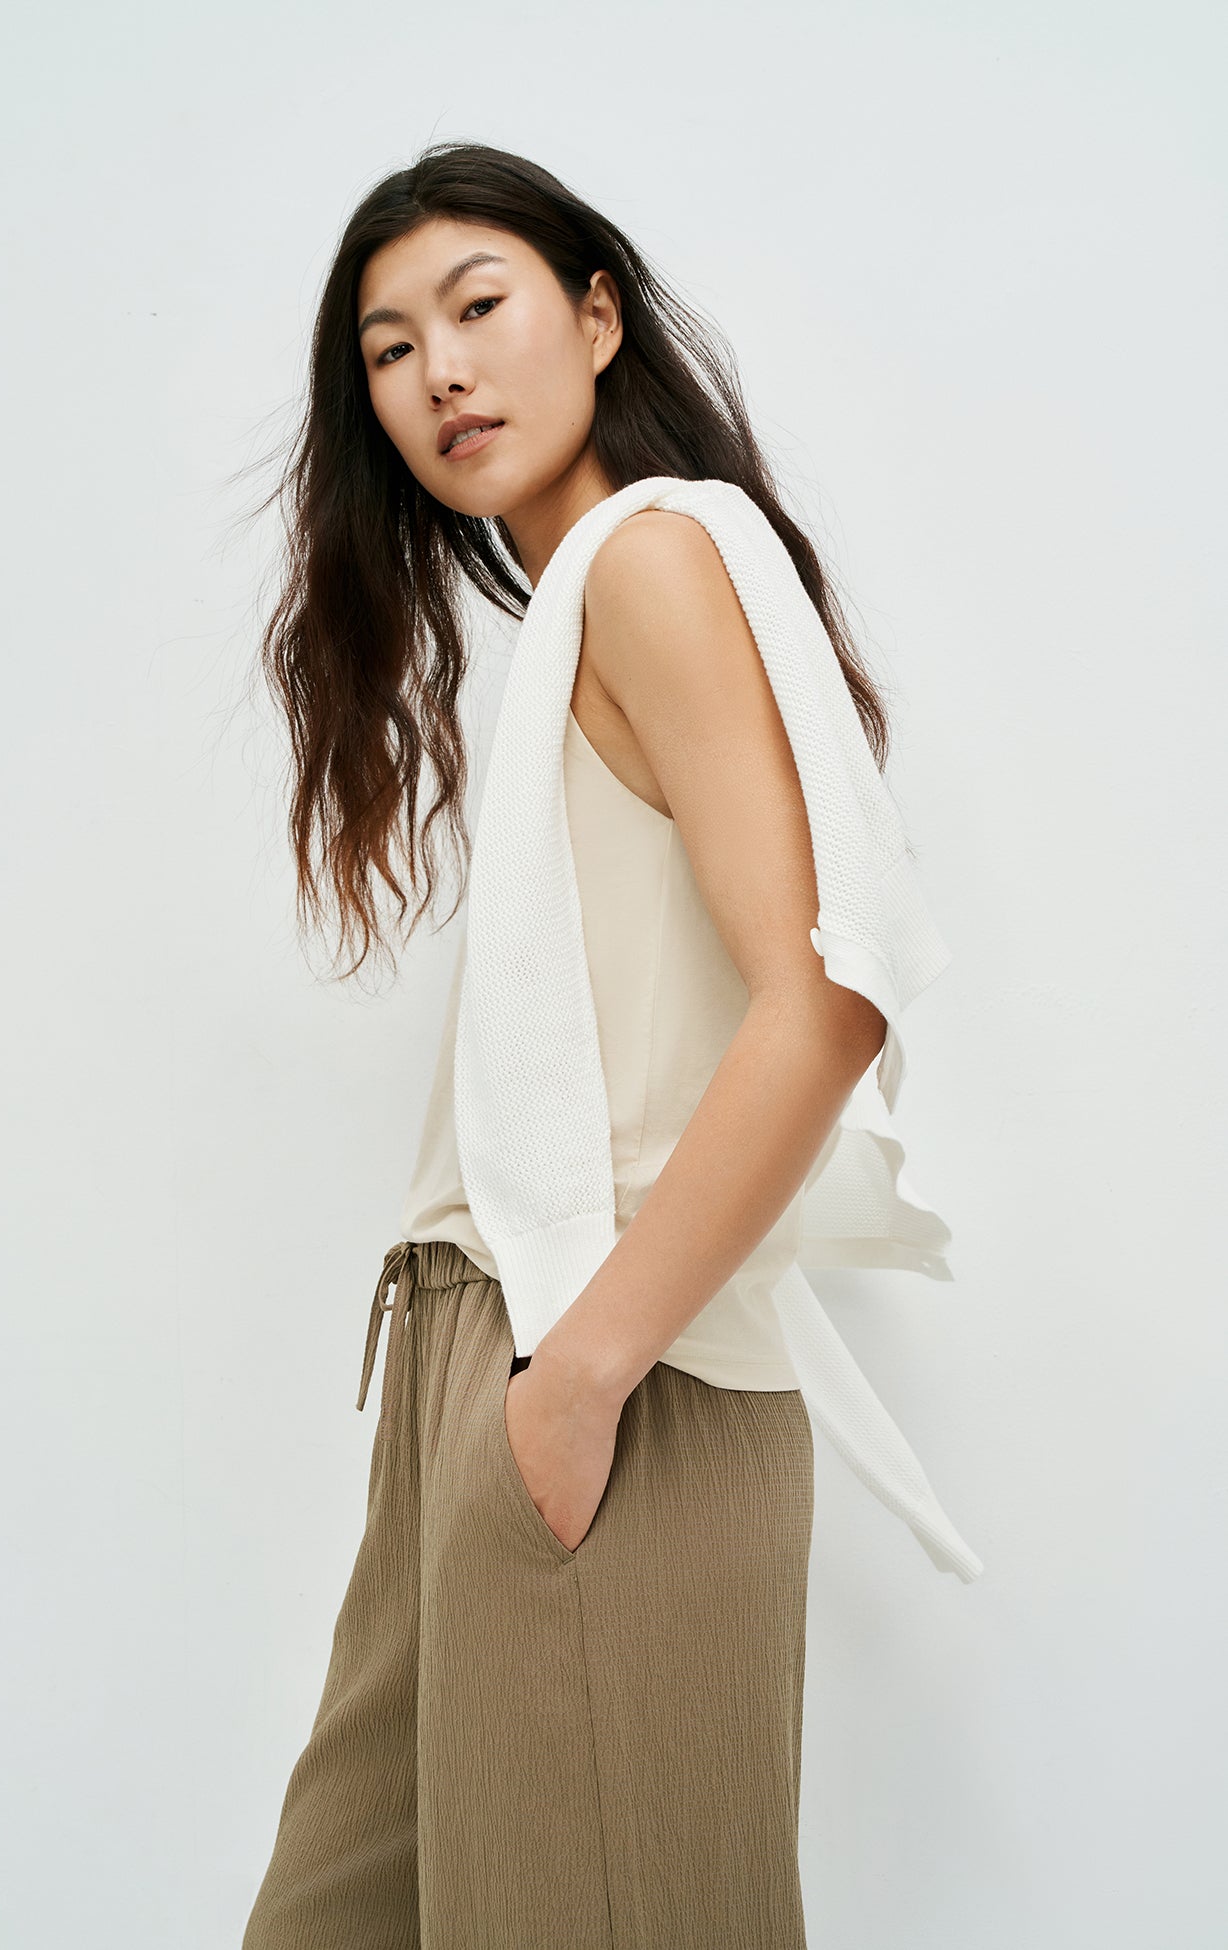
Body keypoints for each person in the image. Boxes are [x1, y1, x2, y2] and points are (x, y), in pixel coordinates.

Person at [240, 139, 978, 1950]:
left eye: (477, 306)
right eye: (389, 349)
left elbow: (831, 993)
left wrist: (574, 1384)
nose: (441, 373)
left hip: (603, 1378)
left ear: (594, 316)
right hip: (477, 1360)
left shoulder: (653, 561)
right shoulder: (582, 602)